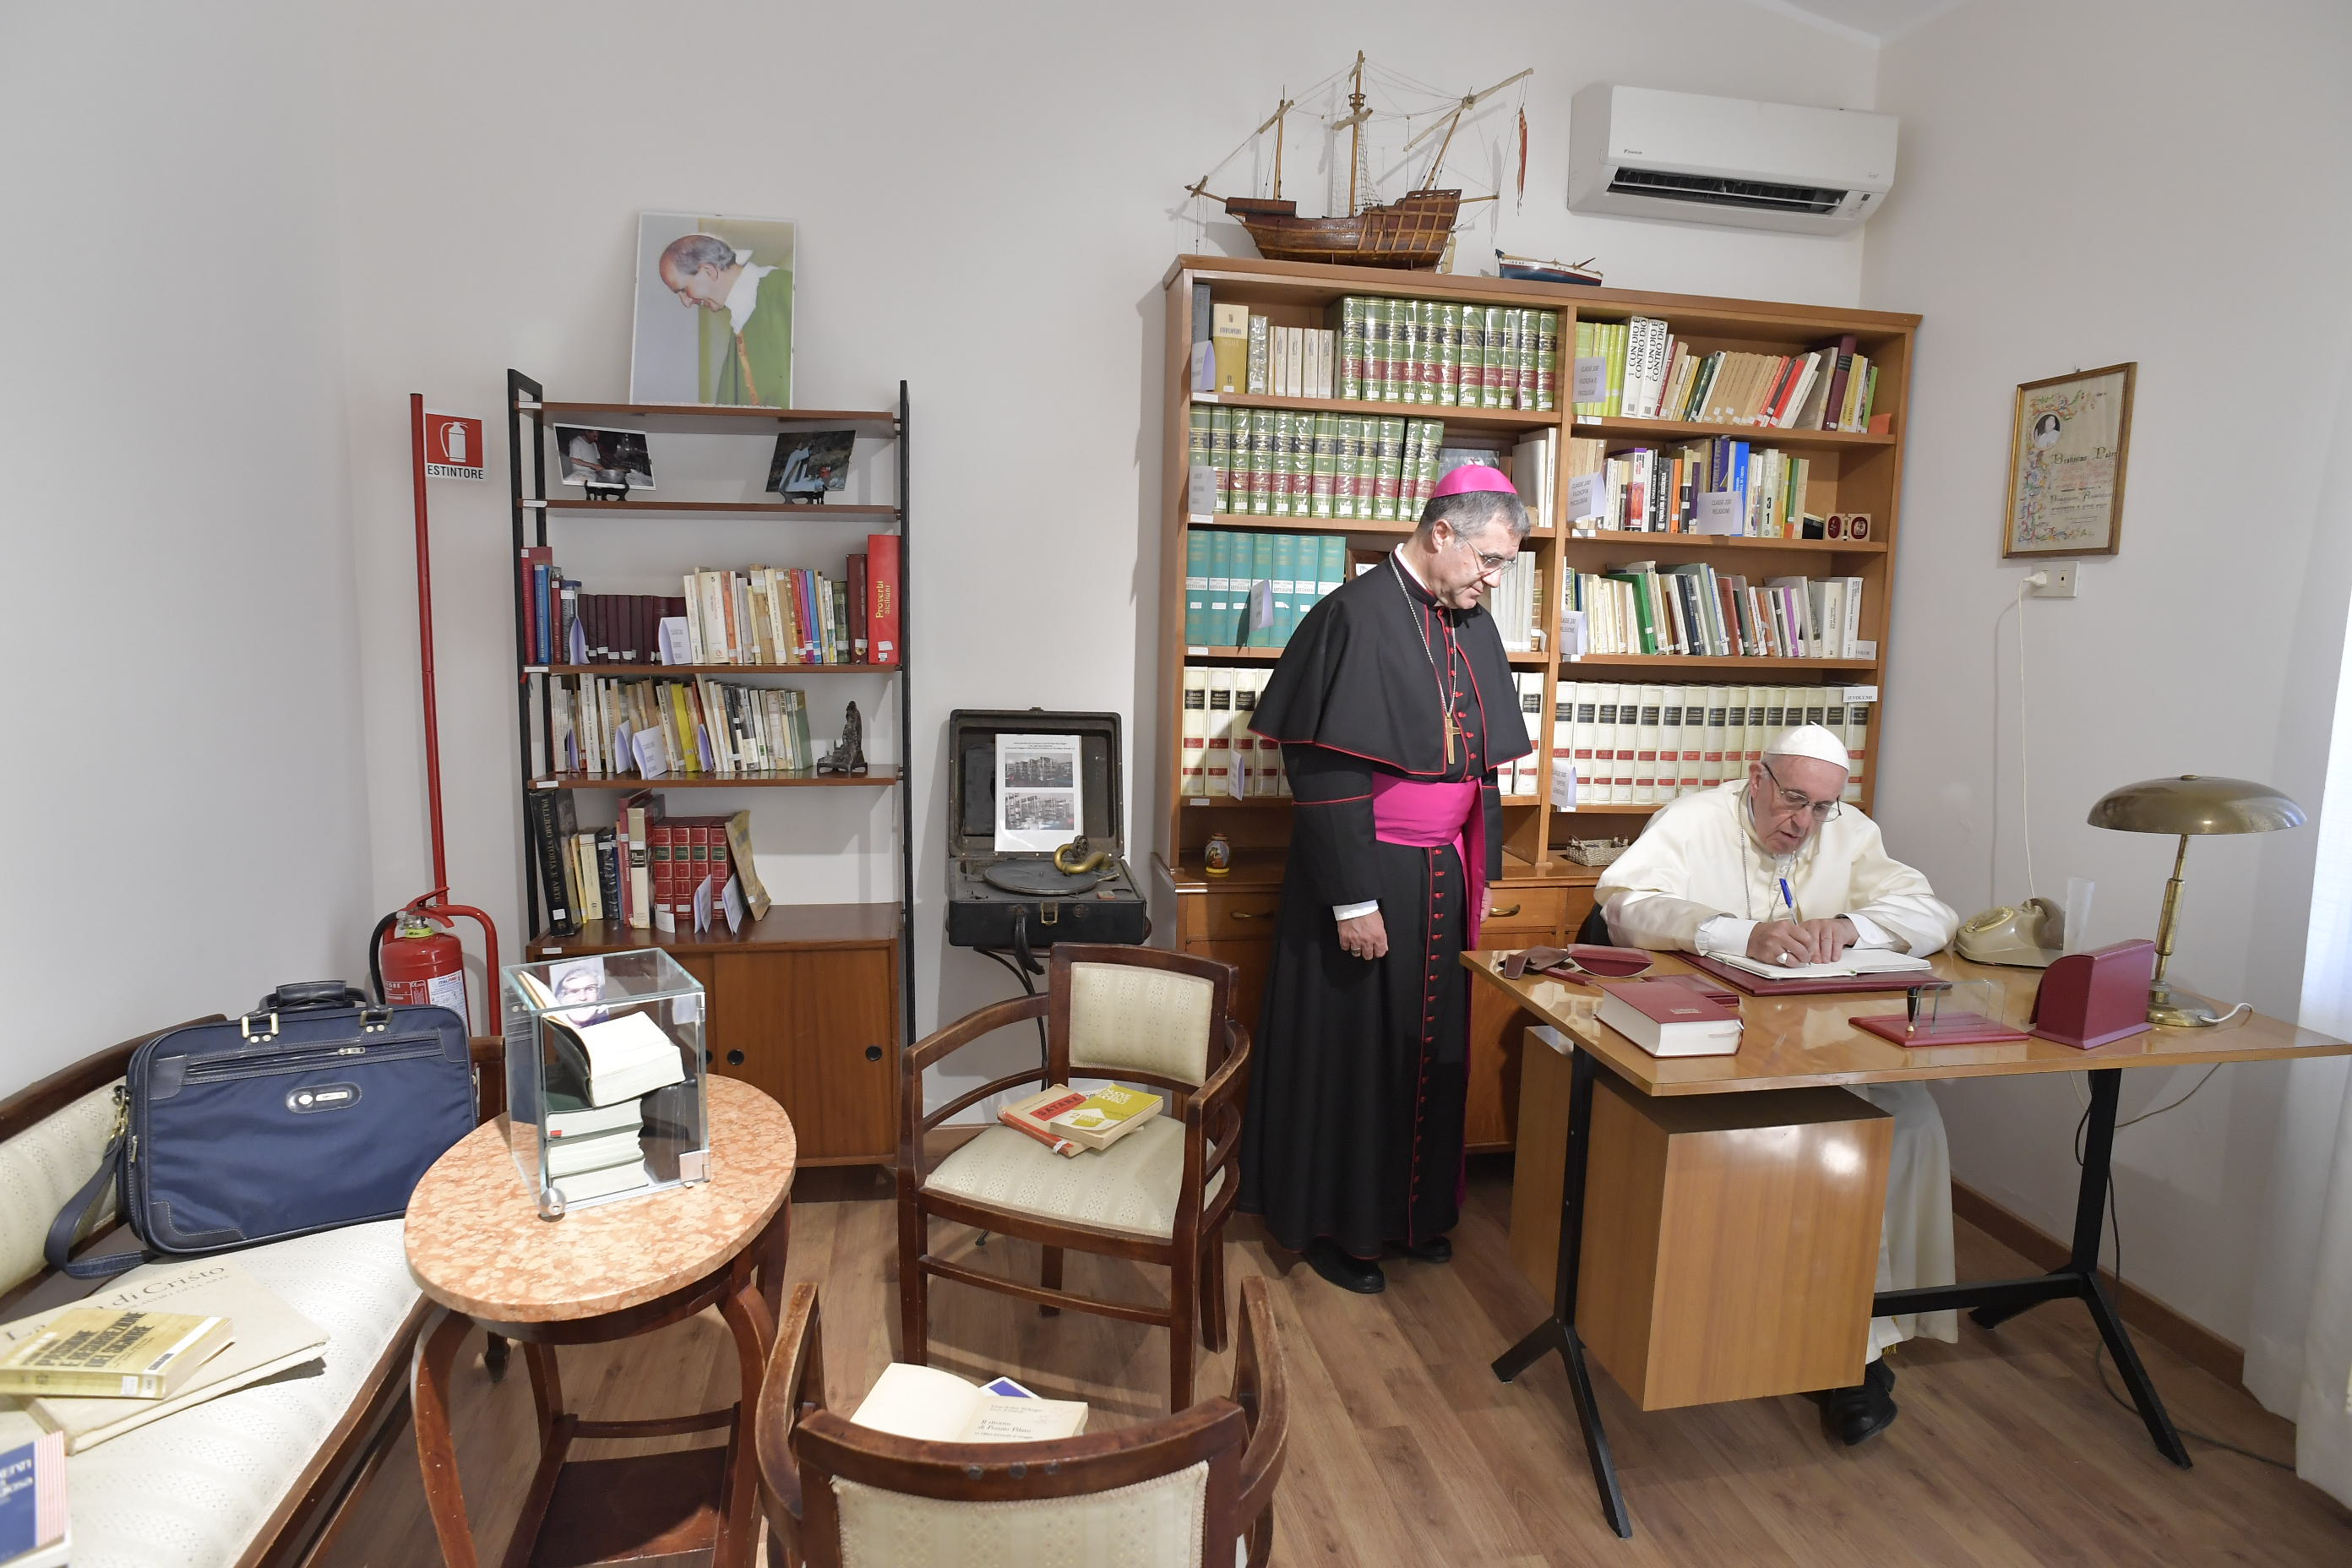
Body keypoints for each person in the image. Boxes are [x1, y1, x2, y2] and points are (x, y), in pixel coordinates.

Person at [1594, 721, 1960, 1446]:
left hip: (1820, 1042)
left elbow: (1932, 913)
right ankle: (1799, 1342)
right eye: (1794, 800)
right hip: (1710, 1046)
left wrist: (1849, 928)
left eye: (1822, 807)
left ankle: (1862, 1334)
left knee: (1912, 1118)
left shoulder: (1848, 832)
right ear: (1757, 779)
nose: (1804, 823)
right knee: (1823, 1138)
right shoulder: (1694, 819)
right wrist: (1736, 933)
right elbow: (1624, 908)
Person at [1238, 466, 1534, 1295]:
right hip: (1366, 874)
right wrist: (1354, 898)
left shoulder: (1469, 619)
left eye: (1504, 564)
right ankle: (1341, 1227)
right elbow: (1324, 768)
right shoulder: (1351, 615)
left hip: (1441, 870)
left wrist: (1482, 864)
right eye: (1489, 559)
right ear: (1441, 532)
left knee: (1428, 1051)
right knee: (1356, 1059)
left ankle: (1413, 1214)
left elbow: (1478, 763)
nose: (1493, 578)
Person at [656, 232, 792, 407]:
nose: (686, 302)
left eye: (683, 290)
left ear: (709, 271)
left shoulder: (787, 289)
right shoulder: (741, 321)